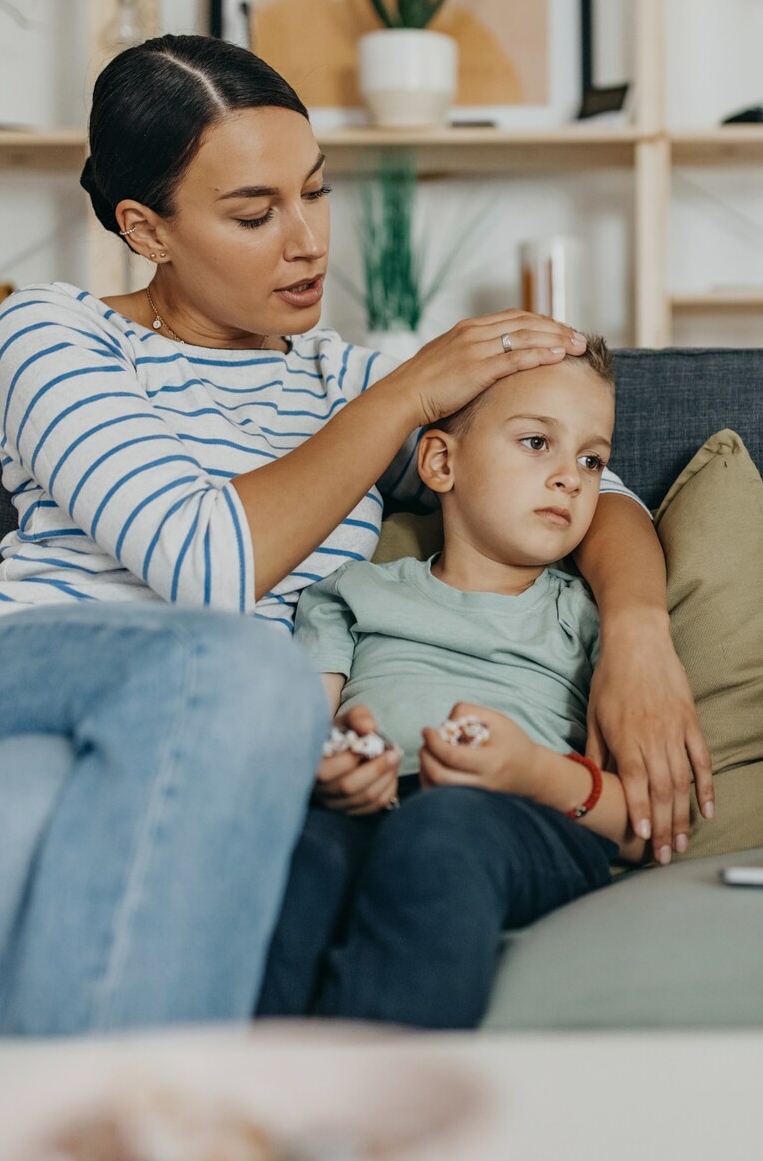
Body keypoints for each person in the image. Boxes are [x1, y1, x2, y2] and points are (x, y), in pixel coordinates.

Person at [0, 34, 711, 1040]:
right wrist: (407, 391)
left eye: (315, 192)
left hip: (120, 784)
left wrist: (638, 634)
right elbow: (207, 570)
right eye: (254, 213)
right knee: (239, 662)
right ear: (146, 228)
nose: (308, 241)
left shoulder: (340, 384)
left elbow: (592, 493)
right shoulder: (55, 332)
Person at [262, 336, 643, 1028]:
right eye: (537, 443)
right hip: (365, 813)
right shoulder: (350, 595)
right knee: (301, 854)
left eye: (592, 460)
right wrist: (334, 767)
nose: (571, 477)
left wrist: (531, 771)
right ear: (441, 462)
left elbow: (642, 829)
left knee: (439, 832)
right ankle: (260, 1077)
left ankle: (392, 1076)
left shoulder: (589, 620)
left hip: (521, 822)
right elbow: (297, 749)